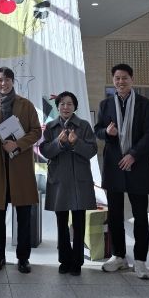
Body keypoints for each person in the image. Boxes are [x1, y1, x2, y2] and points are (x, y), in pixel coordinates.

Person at [94, 63, 149, 280]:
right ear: (113, 81)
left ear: (132, 79)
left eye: (124, 78)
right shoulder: (106, 104)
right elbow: (97, 130)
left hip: (137, 165)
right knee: (115, 215)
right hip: (114, 166)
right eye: (117, 78)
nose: (121, 82)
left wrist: (133, 155)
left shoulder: (145, 104)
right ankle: (119, 256)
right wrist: (106, 132)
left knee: (140, 216)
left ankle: (140, 260)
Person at [0, 66, 41, 274]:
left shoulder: (26, 105)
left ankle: (23, 258)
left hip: (20, 166)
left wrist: (18, 144)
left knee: (23, 217)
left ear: (13, 82)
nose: (3, 83)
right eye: (0, 80)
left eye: (7, 80)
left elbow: (36, 131)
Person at [40, 91, 97, 276]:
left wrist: (76, 143)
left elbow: (92, 151)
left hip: (79, 180)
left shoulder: (84, 126)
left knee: (79, 223)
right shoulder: (50, 127)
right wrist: (58, 143)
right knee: (61, 223)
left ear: (75, 107)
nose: (66, 107)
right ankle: (64, 260)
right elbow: (45, 151)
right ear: (57, 107)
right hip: (59, 180)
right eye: (62, 104)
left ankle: (77, 262)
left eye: (69, 104)